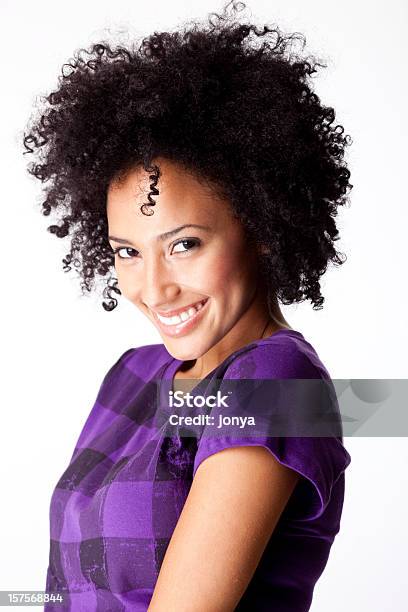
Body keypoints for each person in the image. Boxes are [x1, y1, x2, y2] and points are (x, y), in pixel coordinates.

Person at [23, 2, 352, 610]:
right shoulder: (133, 374)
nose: (155, 288)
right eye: (126, 252)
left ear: (260, 227)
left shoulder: (273, 381)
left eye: (184, 245)